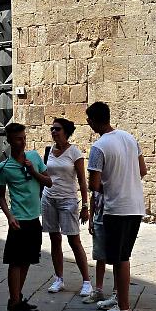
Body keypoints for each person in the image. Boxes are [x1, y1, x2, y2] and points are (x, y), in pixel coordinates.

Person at [86, 101, 147, 311]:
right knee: (124, 256)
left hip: (116, 208)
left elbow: (94, 184)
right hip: (136, 206)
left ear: (92, 121)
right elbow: (142, 170)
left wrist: (112, 185)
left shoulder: (99, 147)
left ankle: (123, 308)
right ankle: (119, 297)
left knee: (119, 258)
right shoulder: (131, 138)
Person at [0, 121, 52, 311]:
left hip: (34, 219)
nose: (22, 142)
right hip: (18, 220)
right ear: (10, 140)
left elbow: (49, 182)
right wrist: (9, 216)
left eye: (24, 138)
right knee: (15, 261)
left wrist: (33, 171)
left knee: (27, 259)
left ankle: (17, 298)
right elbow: (2, 197)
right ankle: (14, 303)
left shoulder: (34, 158)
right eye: (18, 139)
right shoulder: (4, 167)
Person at [42, 117, 93, 297]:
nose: (54, 132)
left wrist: (85, 205)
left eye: (57, 129)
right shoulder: (48, 150)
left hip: (68, 200)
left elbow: (82, 180)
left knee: (74, 240)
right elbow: (45, 175)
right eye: (52, 129)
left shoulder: (75, 153)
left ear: (66, 132)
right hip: (48, 199)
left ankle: (86, 282)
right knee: (54, 239)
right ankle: (59, 279)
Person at [82, 184, 108, 304]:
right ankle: (98, 290)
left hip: (113, 219)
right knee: (99, 257)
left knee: (118, 258)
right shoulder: (97, 175)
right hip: (99, 220)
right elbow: (93, 197)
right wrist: (91, 219)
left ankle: (116, 293)